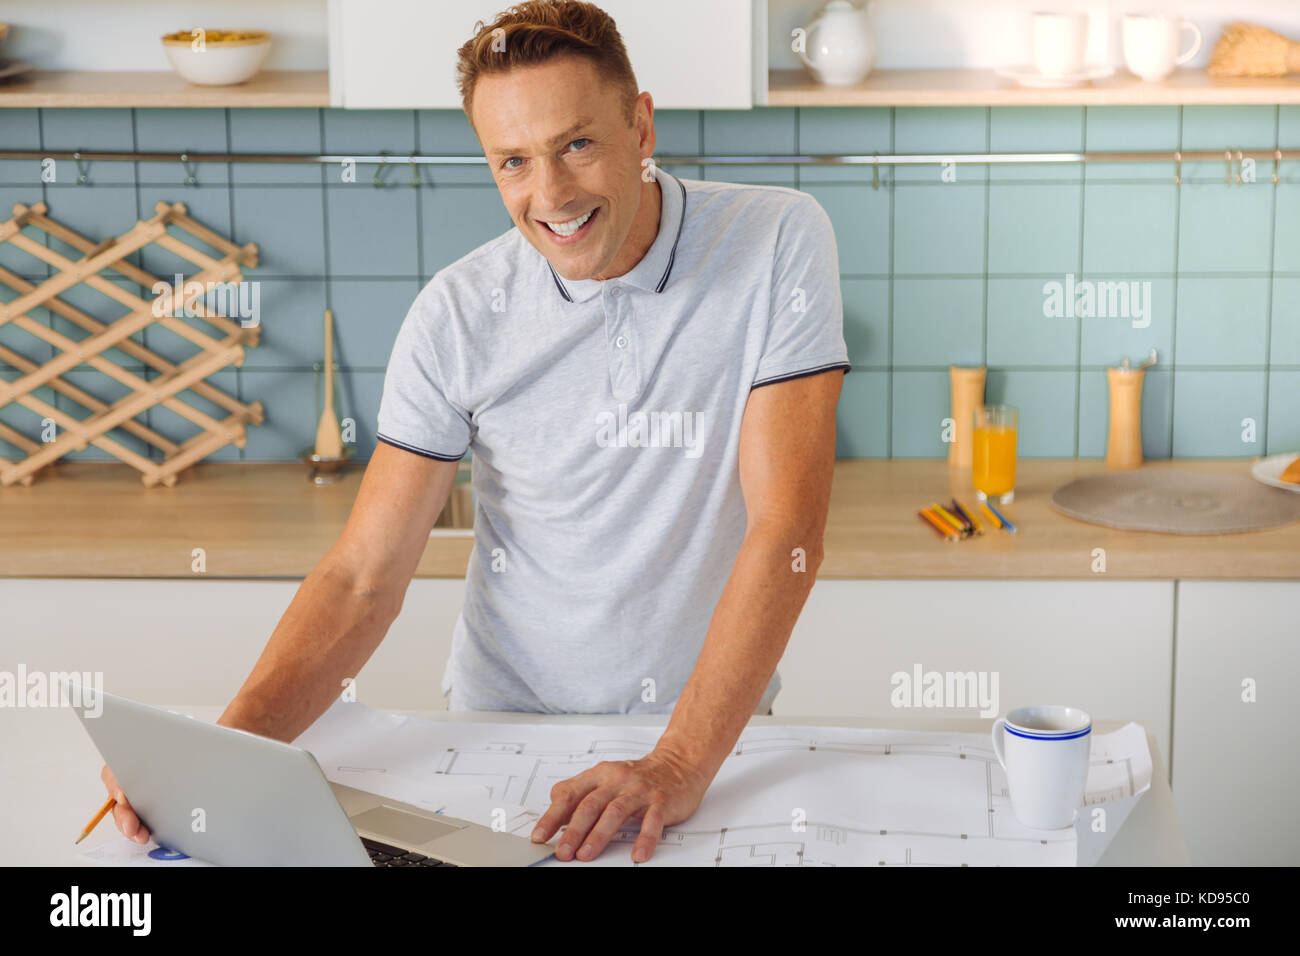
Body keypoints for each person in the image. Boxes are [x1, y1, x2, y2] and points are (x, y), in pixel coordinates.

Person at [103, 0, 849, 864]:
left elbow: (786, 527)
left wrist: (678, 760)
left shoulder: (775, 241)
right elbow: (362, 577)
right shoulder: (457, 314)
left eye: (577, 144)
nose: (552, 196)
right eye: (513, 162)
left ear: (640, 126)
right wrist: (216, 758)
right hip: (502, 729)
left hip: (701, 740)